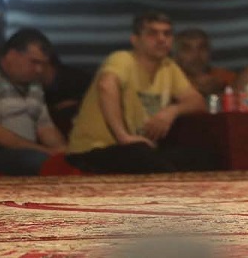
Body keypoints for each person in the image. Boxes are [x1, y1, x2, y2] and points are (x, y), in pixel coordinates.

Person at [67, 11, 210, 174]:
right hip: (94, 149)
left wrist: (171, 111)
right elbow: (106, 86)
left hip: (137, 148)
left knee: (202, 156)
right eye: (152, 33)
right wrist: (123, 137)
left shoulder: (168, 67)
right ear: (135, 40)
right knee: (148, 159)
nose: (162, 39)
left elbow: (197, 101)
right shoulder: (122, 59)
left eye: (167, 34)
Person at [0, 28, 67, 175]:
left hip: (22, 152)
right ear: (11, 55)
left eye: (43, 64)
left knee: (72, 160)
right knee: (36, 160)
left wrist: (65, 152)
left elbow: (45, 128)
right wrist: (46, 151)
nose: (39, 70)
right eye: (34, 62)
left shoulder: (34, 84)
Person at [174, 28, 236, 98]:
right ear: (176, 55)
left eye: (202, 48)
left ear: (209, 52)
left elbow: (240, 93)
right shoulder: (168, 79)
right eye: (187, 49)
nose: (196, 55)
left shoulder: (223, 77)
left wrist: (220, 89)